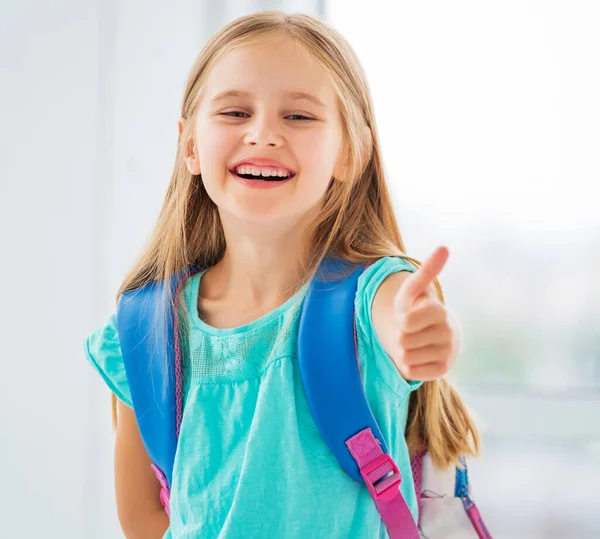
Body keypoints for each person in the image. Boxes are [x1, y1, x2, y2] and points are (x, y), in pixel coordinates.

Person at [84, 10, 480, 538]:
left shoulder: (372, 298)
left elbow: (398, 311)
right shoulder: (143, 329)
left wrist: (419, 330)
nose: (263, 134)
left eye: (298, 117)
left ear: (350, 151)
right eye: (233, 112)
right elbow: (145, 521)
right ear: (189, 146)